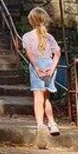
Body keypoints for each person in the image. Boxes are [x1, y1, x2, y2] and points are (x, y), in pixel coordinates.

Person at [22, 7, 61, 137]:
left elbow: (29, 53)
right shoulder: (49, 37)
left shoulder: (27, 36)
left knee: (38, 96)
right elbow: (57, 53)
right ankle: (52, 123)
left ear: (31, 21)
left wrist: (37, 67)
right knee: (46, 97)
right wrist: (53, 68)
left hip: (37, 66)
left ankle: (40, 124)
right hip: (49, 65)